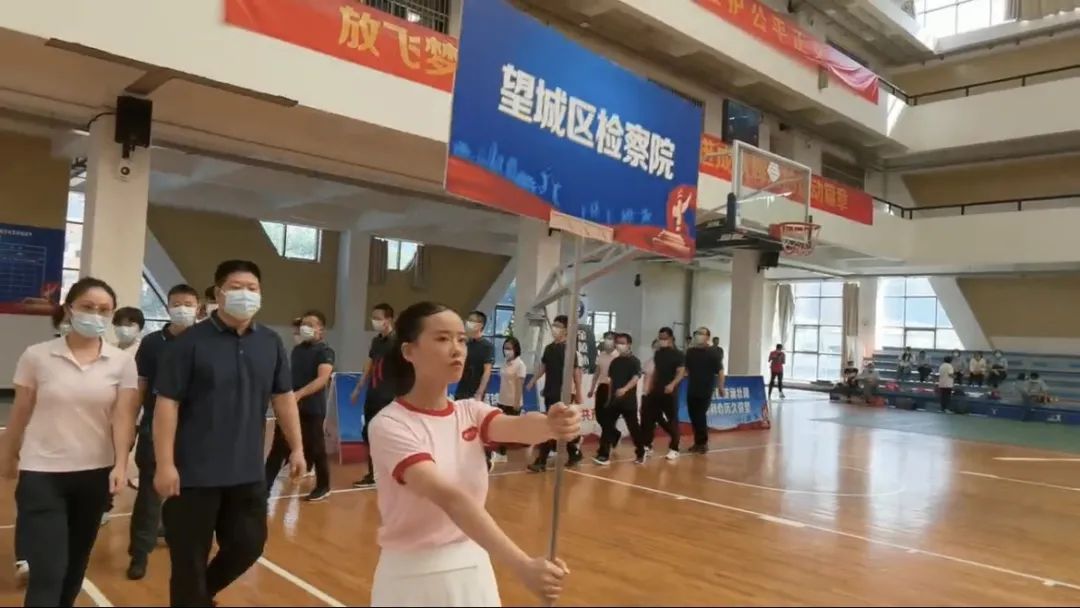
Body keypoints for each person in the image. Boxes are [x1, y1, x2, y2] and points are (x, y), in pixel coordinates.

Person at [366, 302, 575, 606]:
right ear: (409, 351)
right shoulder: (390, 424)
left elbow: (519, 427)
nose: (457, 349)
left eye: (461, 340)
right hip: (411, 576)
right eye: (442, 338)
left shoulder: (470, 411)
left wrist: (551, 424)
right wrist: (522, 565)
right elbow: (451, 499)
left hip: (473, 566)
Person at [153, 260, 306, 607]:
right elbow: (167, 404)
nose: (245, 294)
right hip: (193, 474)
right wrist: (165, 464)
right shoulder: (189, 343)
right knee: (189, 562)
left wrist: (297, 447)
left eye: (252, 288)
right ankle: (194, 598)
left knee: (248, 546)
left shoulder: (270, 342)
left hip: (246, 472)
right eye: (236, 288)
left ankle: (199, 597)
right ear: (219, 294)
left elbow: (283, 397)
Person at [1, 277, 139, 607]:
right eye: (88, 307)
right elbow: (21, 411)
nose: (96, 315)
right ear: (69, 309)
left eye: (104, 310)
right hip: (42, 473)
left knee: (75, 566)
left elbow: (123, 418)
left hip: (95, 474)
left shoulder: (121, 362)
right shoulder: (37, 356)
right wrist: (8, 454)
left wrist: (122, 464)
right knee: (48, 571)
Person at [125, 283, 200, 581]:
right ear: (168, 307)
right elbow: (141, 385)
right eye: (177, 304)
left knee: (191, 493)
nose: (183, 309)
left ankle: (179, 539)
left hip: (195, 430)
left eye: (188, 304)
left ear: (198, 308)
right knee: (150, 493)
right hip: (154, 428)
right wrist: (130, 425)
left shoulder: (207, 341)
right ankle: (139, 553)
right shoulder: (152, 343)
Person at [265, 310, 336, 502]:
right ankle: (264, 488)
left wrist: (299, 394)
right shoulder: (297, 350)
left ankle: (323, 486)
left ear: (321, 329)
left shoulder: (325, 352)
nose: (305, 327)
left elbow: (322, 379)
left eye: (311, 324)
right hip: (291, 408)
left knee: (317, 448)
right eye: (304, 324)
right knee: (278, 448)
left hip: (312, 409)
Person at [525, 315, 584, 472]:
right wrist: (533, 381)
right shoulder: (549, 348)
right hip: (550, 391)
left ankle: (541, 461)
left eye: (558, 325)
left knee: (550, 425)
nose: (554, 328)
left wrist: (579, 392)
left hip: (564, 394)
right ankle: (574, 452)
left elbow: (576, 373)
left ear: (566, 330)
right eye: (554, 325)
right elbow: (543, 367)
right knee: (558, 426)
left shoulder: (570, 350)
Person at [350, 303, 396, 487]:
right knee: (369, 432)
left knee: (386, 435)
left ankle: (389, 473)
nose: (374, 321)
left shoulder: (398, 342)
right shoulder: (377, 341)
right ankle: (374, 474)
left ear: (389, 319)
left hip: (389, 395)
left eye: (378, 318)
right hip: (373, 393)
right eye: (373, 317)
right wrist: (358, 387)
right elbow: (369, 364)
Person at [594, 333, 646, 465]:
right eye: (618, 342)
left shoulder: (634, 361)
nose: (619, 345)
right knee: (607, 426)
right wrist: (609, 398)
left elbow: (635, 378)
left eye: (622, 343)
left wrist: (624, 389)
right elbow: (611, 381)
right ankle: (603, 454)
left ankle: (641, 451)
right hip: (614, 401)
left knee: (633, 428)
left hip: (628, 402)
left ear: (629, 345)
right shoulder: (615, 362)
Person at [641, 327, 685, 461]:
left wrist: (672, 384)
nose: (662, 340)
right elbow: (656, 371)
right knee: (649, 417)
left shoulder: (678, 355)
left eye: (664, 338)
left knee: (672, 419)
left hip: (670, 391)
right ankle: (647, 445)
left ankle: (674, 448)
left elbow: (681, 372)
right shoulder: (659, 354)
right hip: (656, 390)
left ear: (671, 338)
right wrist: (650, 387)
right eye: (660, 338)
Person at [684, 327, 722, 454]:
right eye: (697, 333)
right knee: (693, 417)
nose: (699, 335)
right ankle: (697, 442)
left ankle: (703, 443)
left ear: (707, 337)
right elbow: (685, 368)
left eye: (702, 333)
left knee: (700, 416)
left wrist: (721, 386)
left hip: (705, 389)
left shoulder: (713, 353)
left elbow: (720, 370)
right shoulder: (690, 352)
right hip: (692, 389)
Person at [492, 337, 527, 463]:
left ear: (515, 349)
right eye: (505, 348)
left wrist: (516, 402)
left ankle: (504, 453)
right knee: (501, 427)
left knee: (508, 429)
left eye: (509, 348)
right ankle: (501, 451)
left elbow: (519, 385)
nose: (506, 351)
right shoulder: (505, 363)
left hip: (512, 402)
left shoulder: (520, 365)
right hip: (502, 399)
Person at [455, 311, 495, 401]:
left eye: (471, 321)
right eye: (468, 320)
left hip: (475, 392)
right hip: (461, 390)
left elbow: (487, 371)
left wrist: (480, 392)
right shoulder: (466, 343)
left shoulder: (487, 346)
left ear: (480, 325)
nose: (468, 323)